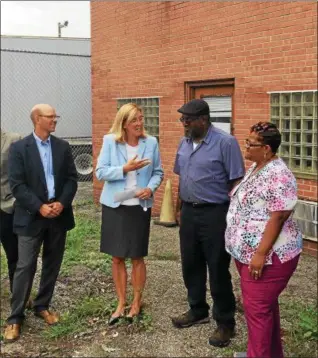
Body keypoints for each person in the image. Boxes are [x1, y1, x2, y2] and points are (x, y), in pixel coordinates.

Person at [172, 99, 245, 347]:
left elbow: (236, 181)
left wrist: (231, 217)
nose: (184, 124)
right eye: (182, 119)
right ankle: (197, 309)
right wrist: (178, 209)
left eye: (188, 119)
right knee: (190, 263)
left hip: (215, 214)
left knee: (217, 268)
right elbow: (181, 177)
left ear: (203, 119)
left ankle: (225, 322)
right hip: (189, 214)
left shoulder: (226, 143)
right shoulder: (184, 143)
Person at [225, 122, 302, 358]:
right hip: (249, 255)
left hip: (268, 258)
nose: (245, 147)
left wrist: (259, 254)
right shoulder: (258, 166)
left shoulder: (278, 174)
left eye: (251, 143)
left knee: (257, 312)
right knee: (265, 309)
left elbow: (279, 216)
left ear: (266, 148)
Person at [4, 104, 78, 342]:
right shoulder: (19, 148)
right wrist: (39, 206)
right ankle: (15, 318)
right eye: (51, 116)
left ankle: (42, 305)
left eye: (56, 115)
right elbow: (17, 184)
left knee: (52, 263)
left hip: (58, 215)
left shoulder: (62, 147)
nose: (55, 119)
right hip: (30, 217)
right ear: (37, 119)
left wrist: (62, 203)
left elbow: (71, 179)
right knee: (25, 266)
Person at [96, 103, 163, 325]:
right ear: (124, 123)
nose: (139, 123)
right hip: (116, 204)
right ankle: (120, 302)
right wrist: (125, 169)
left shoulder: (150, 142)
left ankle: (136, 302)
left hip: (139, 205)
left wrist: (150, 188)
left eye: (141, 118)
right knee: (117, 257)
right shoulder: (110, 141)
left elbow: (157, 173)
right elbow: (100, 172)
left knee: (137, 256)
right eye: (134, 120)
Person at [1, 129, 22, 292]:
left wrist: (16, 199)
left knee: (13, 253)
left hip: (6, 206)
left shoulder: (13, 139)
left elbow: (24, 172)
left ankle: (19, 294)